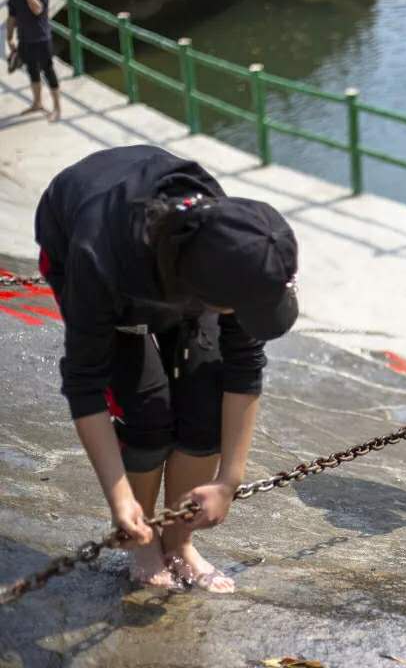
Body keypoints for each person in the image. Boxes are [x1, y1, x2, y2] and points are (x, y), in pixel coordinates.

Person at [35, 145, 299, 592]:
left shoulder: (243, 247)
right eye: (237, 309)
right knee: (146, 412)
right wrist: (119, 500)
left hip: (179, 273)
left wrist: (228, 481)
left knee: (204, 405)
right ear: (203, 293)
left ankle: (178, 540)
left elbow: (244, 364)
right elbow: (83, 382)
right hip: (94, 246)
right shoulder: (99, 255)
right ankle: (140, 537)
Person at [5, 0, 61, 121]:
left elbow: (37, 9)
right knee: (32, 71)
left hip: (41, 39)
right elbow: (12, 16)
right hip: (24, 38)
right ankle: (37, 103)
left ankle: (57, 108)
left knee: (48, 71)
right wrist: (9, 37)